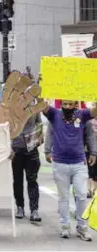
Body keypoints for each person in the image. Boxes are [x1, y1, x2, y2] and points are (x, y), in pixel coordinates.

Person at [43, 99, 95, 241]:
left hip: (79, 162)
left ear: (75, 104)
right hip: (60, 163)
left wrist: (93, 153)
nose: (67, 107)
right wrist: (47, 150)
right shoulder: (54, 114)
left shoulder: (82, 115)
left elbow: (90, 135)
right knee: (63, 197)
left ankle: (82, 227)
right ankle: (65, 227)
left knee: (82, 195)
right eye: (64, 104)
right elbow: (49, 131)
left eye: (70, 104)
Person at [12, 113, 44, 222]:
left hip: (31, 147)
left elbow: (39, 123)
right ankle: (19, 207)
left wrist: (38, 137)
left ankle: (34, 210)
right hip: (15, 147)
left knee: (32, 179)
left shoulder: (34, 109)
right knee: (17, 180)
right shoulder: (12, 107)